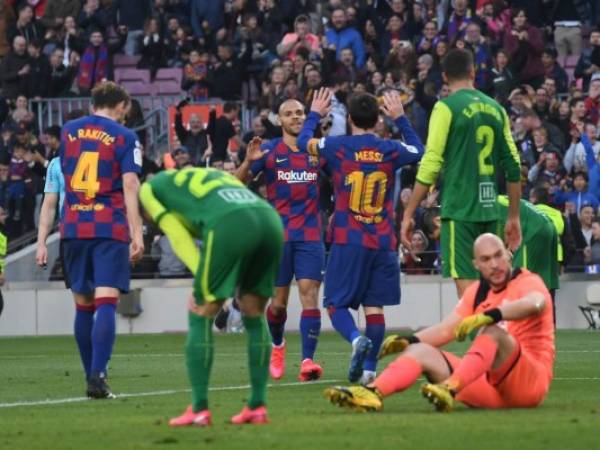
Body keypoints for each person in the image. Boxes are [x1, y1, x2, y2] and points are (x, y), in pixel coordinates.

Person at [325, 234, 554, 413]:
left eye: (498, 256)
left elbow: (536, 303)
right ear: (476, 264)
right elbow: (447, 329)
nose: (494, 264)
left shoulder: (527, 281)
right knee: (420, 351)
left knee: (491, 331)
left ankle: (449, 388)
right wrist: (409, 340)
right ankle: (372, 393)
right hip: (492, 390)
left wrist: (493, 314)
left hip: (529, 385)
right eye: (486, 259)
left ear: (508, 255)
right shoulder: (477, 291)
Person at [298, 89, 424, 384]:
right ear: (378, 118)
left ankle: (356, 339)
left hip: (348, 237)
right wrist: (401, 118)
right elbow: (419, 151)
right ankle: (369, 372)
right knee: (374, 307)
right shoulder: (390, 148)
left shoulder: (337, 146)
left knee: (335, 304)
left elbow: (305, 143)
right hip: (382, 241)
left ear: (350, 118)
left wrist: (315, 112)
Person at [139, 167, 283, 426]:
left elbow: (178, 236)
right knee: (253, 313)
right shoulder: (201, 177)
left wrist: (201, 283)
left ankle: (199, 409)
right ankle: (257, 406)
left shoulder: (148, 191)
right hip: (269, 219)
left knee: (200, 311)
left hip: (231, 221)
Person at [400, 48, 522, 299]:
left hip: (459, 211)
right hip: (490, 210)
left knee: (469, 295)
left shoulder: (446, 108)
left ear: (444, 76)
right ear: (473, 72)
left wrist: (409, 213)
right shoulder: (496, 109)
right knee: (494, 290)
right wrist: (513, 216)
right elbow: (513, 165)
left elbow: (431, 162)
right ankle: (502, 336)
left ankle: (490, 339)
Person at [59, 81, 144, 399]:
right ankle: (98, 375)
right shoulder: (125, 136)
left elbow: (67, 173)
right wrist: (137, 232)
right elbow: (130, 184)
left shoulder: (68, 130)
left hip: (73, 227)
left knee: (83, 306)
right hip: (108, 227)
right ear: (121, 105)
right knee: (106, 300)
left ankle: (90, 376)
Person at [236, 99, 325, 382]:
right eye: (289, 114)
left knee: (309, 294)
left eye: (300, 112)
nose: (296, 117)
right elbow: (236, 183)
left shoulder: (317, 149)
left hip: (310, 236)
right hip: (279, 237)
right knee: (278, 305)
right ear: (280, 120)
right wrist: (248, 162)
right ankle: (277, 344)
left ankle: (308, 360)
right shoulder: (271, 150)